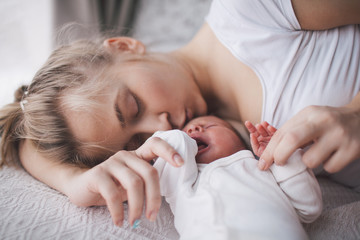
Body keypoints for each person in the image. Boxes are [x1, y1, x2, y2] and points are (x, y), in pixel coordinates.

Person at [0, 0, 359, 227]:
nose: (161, 127)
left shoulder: (254, 13)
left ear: (124, 47)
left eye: (133, 107)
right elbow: (19, 138)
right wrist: (73, 183)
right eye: (138, 141)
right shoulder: (211, 144)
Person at [152, 116, 322, 239]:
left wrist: (280, 154)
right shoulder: (182, 178)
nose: (192, 130)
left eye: (209, 125)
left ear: (241, 141)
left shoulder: (262, 169)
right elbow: (166, 146)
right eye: (185, 133)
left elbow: (309, 208)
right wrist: (179, 136)